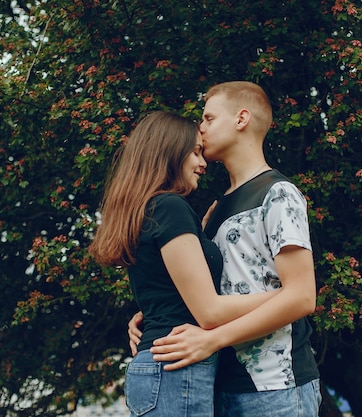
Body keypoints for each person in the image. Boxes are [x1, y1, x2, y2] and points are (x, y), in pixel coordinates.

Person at [129, 81, 322, 417]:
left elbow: (302, 297)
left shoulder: (278, 194)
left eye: (208, 117)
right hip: (219, 384)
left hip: (276, 387)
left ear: (241, 119)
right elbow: (217, 284)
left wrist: (213, 340)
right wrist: (153, 314)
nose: (200, 128)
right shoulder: (216, 210)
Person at [88, 111, 281, 417]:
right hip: (175, 369)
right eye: (194, 152)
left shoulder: (150, 208)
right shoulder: (169, 206)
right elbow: (209, 312)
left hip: (165, 369)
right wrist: (285, 297)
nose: (203, 163)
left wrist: (200, 237)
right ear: (168, 153)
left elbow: (168, 288)